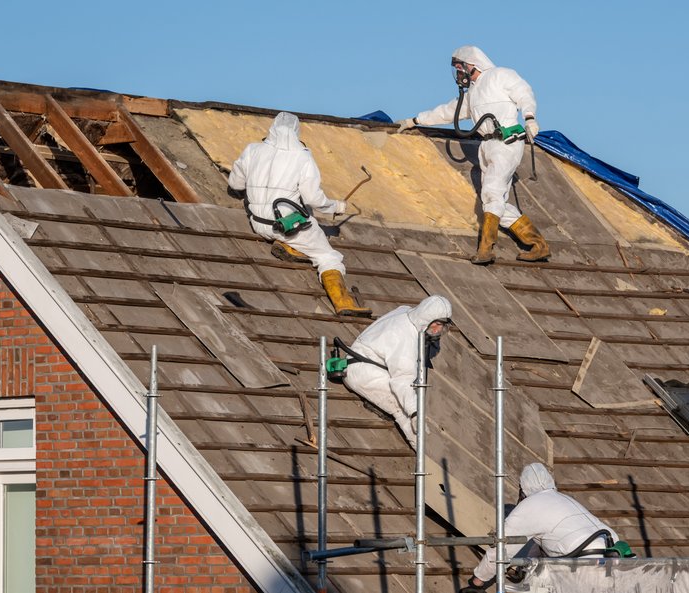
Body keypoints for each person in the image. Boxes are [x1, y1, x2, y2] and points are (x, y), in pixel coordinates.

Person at [396, 46, 551, 265]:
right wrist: (415, 120)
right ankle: (538, 244)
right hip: (486, 145)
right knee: (494, 201)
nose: (459, 73)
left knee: (491, 192)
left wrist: (529, 118)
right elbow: (448, 112)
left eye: (460, 68)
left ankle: (486, 249)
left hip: (507, 142)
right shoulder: (472, 94)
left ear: (472, 64)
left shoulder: (500, 75)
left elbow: (524, 93)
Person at [228, 111, 370, 317]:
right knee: (328, 256)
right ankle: (343, 303)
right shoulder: (303, 157)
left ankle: (290, 247)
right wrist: (335, 207)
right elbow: (313, 199)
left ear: (272, 128)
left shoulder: (253, 150)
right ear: (296, 132)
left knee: (301, 216)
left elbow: (235, 184)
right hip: (287, 226)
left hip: (258, 223)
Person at [459, 463, 619, 593]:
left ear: (523, 489)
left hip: (583, 565)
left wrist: (477, 581)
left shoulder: (529, 506)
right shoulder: (564, 499)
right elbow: (542, 542)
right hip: (616, 558)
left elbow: (502, 548)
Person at [343, 295, 452, 449]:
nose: (438, 330)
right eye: (437, 324)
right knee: (402, 409)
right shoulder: (404, 337)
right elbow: (402, 380)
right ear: (426, 318)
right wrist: (415, 413)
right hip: (364, 373)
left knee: (408, 399)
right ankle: (423, 451)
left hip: (364, 363)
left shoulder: (406, 313)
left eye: (442, 326)